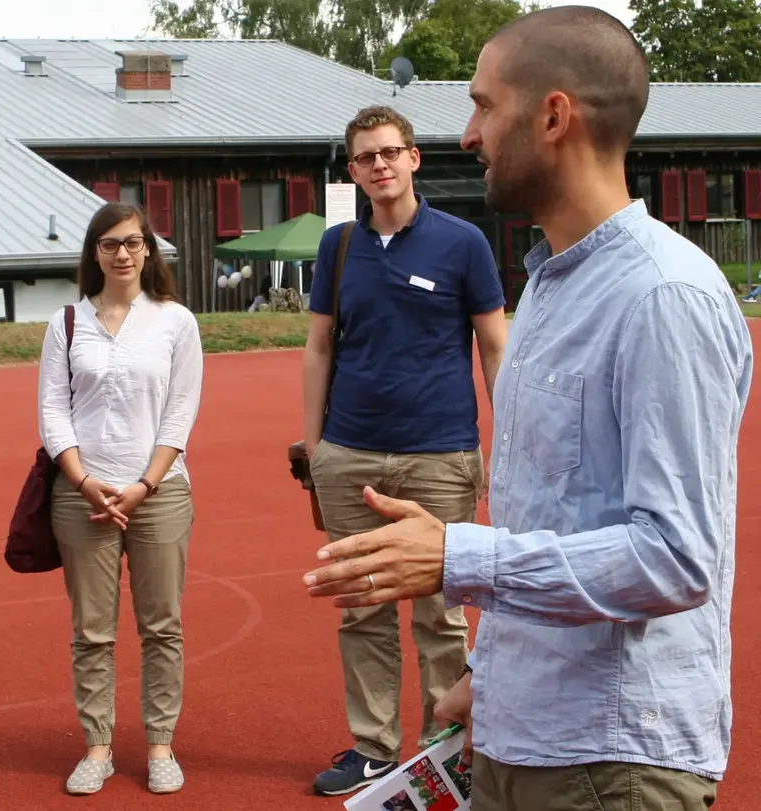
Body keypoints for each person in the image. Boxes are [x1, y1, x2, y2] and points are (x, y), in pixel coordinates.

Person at [301, 7, 751, 810]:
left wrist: (458, 558)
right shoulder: (546, 284)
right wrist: (488, 672)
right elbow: (553, 516)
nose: (469, 134)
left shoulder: (663, 296)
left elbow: (676, 557)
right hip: (521, 730)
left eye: (484, 105)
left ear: (553, 116)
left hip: (610, 761)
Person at [301, 105, 506, 797]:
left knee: (441, 611)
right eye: (367, 157)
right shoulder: (337, 247)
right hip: (349, 453)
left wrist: (507, 438)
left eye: (391, 152)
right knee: (361, 606)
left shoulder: (463, 242)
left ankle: (445, 747)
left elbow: (494, 345)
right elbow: (319, 347)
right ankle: (373, 746)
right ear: (353, 171)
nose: (380, 165)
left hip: (439, 456)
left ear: (414, 158)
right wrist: (317, 447)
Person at [37, 202, 203, 796]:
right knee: (92, 631)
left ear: (148, 248)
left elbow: (180, 412)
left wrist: (143, 485)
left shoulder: (175, 321)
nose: (123, 253)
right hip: (83, 495)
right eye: (109, 244)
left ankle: (160, 745)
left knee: (162, 627)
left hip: (158, 493)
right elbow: (52, 410)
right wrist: (84, 481)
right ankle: (98, 747)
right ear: (94, 253)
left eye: (133, 242)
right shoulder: (67, 322)